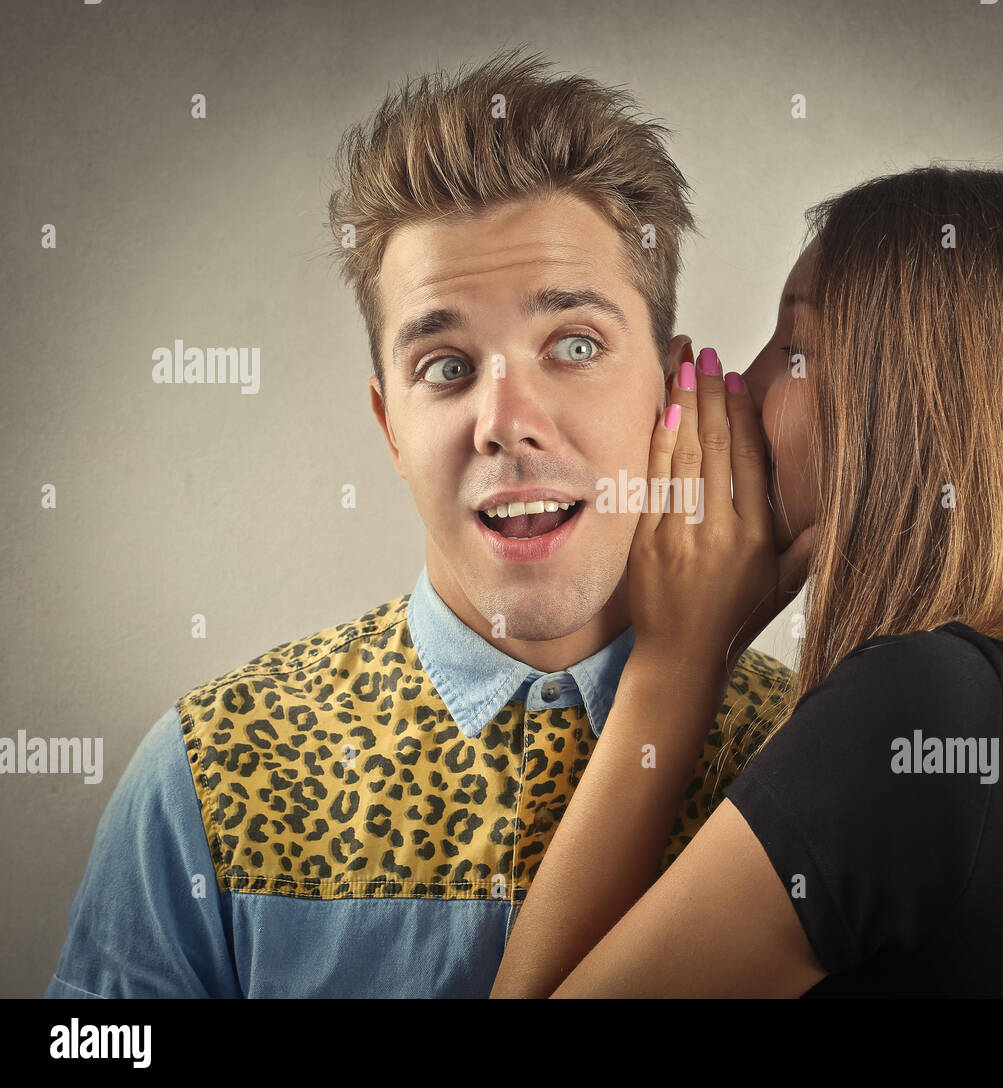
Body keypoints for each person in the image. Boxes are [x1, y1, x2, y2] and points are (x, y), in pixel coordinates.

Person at [42, 49, 798, 999]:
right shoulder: (210, 774)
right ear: (388, 423)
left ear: (673, 386)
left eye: (573, 344)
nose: (505, 419)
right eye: (445, 365)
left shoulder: (807, 756)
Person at [490, 166, 1003, 999]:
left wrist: (680, 660)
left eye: (798, 350)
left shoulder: (918, 707)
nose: (740, 384)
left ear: (922, 409)